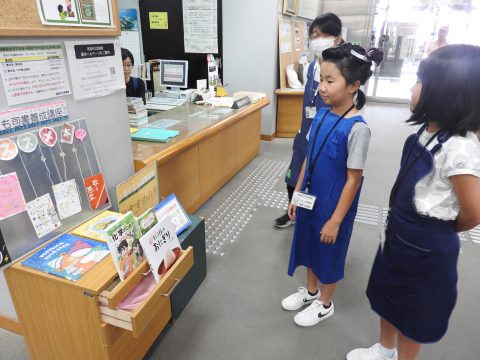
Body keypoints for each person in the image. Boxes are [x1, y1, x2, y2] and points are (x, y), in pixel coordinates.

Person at [347, 44, 480, 360]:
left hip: (428, 248)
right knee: (388, 295)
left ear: (448, 92)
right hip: (398, 234)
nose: (411, 86)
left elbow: (474, 212)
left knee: (414, 314)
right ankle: (384, 350)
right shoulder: (427, 129)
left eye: (419, 80)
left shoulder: (460, 149)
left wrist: (443, 227)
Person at [282, 43, 383, 327]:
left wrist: (336, 221)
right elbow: (308, 158)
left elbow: (354, 179)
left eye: (329, 81)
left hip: (334, 203)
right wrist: (297, 193)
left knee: (329, 250)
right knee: (308, 241)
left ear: (353, 86)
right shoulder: (322, 115)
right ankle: (311, 292)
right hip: (311, 195)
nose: (322, 88)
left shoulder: (358, 129)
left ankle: (325, 303)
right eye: (320, 80)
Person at [274, 13, 343, 228]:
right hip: (305, 133)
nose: (318, 39)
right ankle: (292, 212)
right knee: (293, 176)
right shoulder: (312, 66)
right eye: (314, 35)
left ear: (337, 38)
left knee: (320, 181)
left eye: (324, 35)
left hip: (327, 135)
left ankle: (316, 219)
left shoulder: (342, 70)